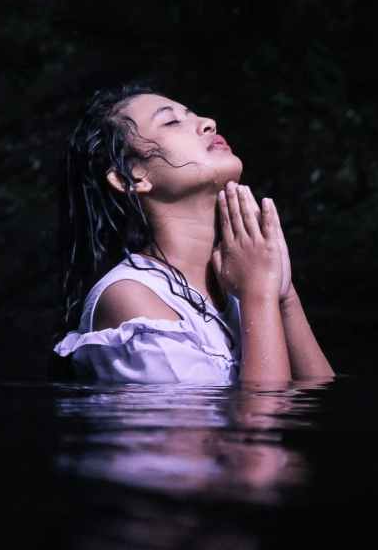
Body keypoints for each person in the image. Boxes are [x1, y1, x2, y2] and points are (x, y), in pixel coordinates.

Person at [53, 82, 333, 388]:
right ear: (130, 177)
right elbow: (256, 428)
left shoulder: (243, 281)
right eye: (172, 121)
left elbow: (319, 397)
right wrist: (259, 296)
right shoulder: (131, 299)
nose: (208, 123)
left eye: (194, 115)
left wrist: (283, 294)